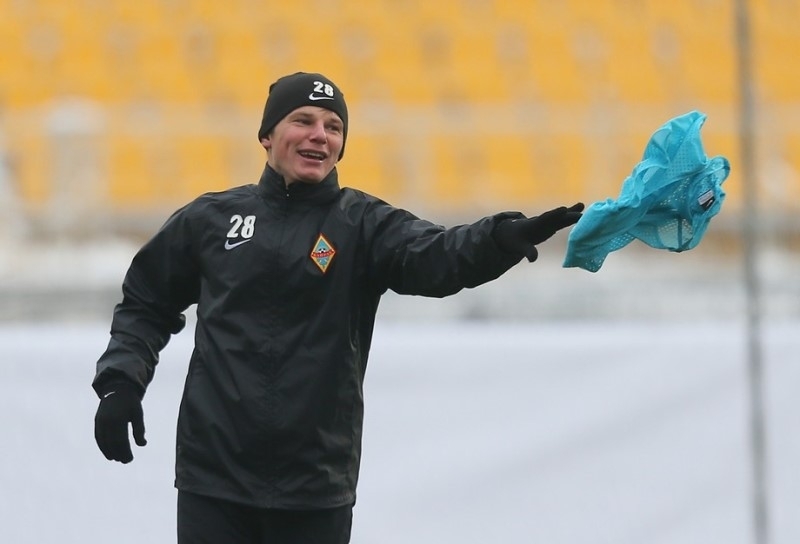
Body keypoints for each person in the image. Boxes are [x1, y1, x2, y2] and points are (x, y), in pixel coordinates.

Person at [92, 71, 584, 544]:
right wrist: (121, 384)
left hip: (315, 486)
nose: (320, 135)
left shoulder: (363, 224)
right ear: (267, 135)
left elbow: (437, 255)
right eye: (303, 120)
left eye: (333, 126)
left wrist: (497, 239)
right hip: (214, 480)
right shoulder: (211, 219)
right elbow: (146, 302)